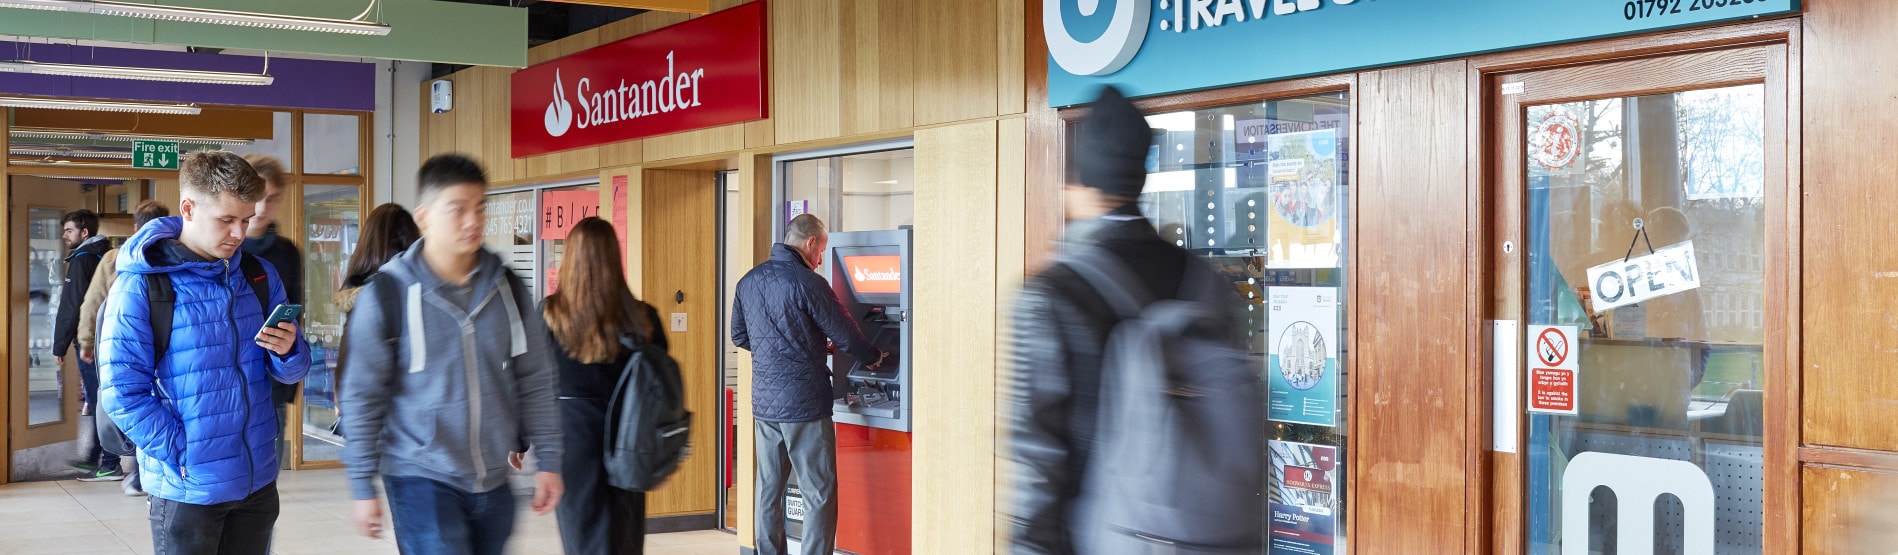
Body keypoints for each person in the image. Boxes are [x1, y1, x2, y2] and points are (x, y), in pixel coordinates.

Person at [1004, 86, 1242, 553]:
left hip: (1102, 536)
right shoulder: (1205, 280)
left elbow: (1039, 463)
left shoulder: (1053, 292)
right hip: (1208, 536)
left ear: (1080, 183)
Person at [341, 154, 563, 554]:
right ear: (424, 216)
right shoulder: (387, 295)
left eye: (480, 208)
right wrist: (362, 483)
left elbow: (536, 379)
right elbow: (362, 394)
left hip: (494, 481)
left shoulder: (508, 289)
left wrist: (549, 461)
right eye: (457, 210)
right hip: (419, 477)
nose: (472, 221)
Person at [98, 151, 311, 555]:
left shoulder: (258, 274)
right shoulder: (143, 286)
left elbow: (291, 371)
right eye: (226, 220)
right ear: (188, 208)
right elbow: (121, 392)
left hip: (257, 481)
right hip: (188, 488)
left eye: (245, 220)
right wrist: (184, 451)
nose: (238, 232)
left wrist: (289, 351)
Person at [731, 213, 887, 555]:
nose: (820, 261)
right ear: (810, 243)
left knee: (768, 490)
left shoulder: (748, 281)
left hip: (765, 407)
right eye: (821, 252)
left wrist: (787, 346)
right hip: (804, 404)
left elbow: (740, 335)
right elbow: (846, 334)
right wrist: (874, 357)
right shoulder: (808, 283)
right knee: (819, 492)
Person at [540, 217, 666, 555]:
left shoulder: (551, 315)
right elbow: (660, 384)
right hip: (629, 441)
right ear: (614, 257)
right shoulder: (643, 317)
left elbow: (534, 384)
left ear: (570, 258)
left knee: (582, 540)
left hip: (573, 443)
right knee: (624, 537)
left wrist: (521, 440)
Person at [76, 200, 170, 495]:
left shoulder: (115, 258)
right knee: (159, 406)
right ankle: (146, 472)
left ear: (135, 227)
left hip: (122, 347)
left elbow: (93, 304)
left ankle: (114, 462)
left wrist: (86, 341)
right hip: (165, 351)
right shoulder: (177, 257)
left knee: (121, 401)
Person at [328, 203, 420, 437]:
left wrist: (342, 397)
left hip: (372, 417)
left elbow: (350, 352)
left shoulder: (361, 294)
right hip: (417, 420)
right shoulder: (423, 292)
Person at [238, 154, 304, 470]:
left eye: (273, 198)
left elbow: (295, 317)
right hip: (229, 380)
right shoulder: (223, 247)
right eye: (259, 196)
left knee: (265, 479)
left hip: (272, 382)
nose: (264, 207)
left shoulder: (286, 252)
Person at [54, 208, 116, 481]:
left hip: (90, 340)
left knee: (97, 399)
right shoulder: (106, 254)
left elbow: (73, 305)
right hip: (110, 336)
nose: (65, 235)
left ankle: (110, 462)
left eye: (69, 230)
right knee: (99, 397)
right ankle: (93, 455)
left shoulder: (82, 260)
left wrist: (60, 345)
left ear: (84, 232)